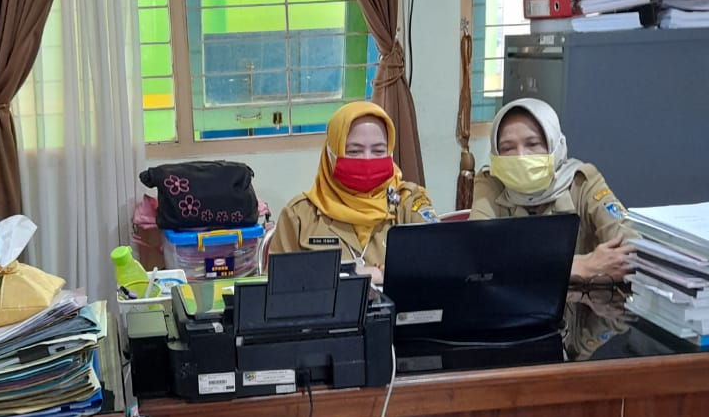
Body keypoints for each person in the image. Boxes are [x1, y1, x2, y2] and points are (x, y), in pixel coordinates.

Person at [269, 100, 437, 284]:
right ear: (331, 154)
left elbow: (440, 266)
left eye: (378, 151)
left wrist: (386, 275)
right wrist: (354, 273)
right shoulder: (300, 216)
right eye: (354, 151)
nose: (367, 160)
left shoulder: (407, 203)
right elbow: (278, 284)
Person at [470, 97, 633, 281]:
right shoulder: (491, 182)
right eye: (508, 148)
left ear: (555, 144)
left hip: (579, 299)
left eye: (533, 144)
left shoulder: (583, 181)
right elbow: (475, 255)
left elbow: (631, 248)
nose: (521, 156)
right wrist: (578, 266)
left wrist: (517, 265)